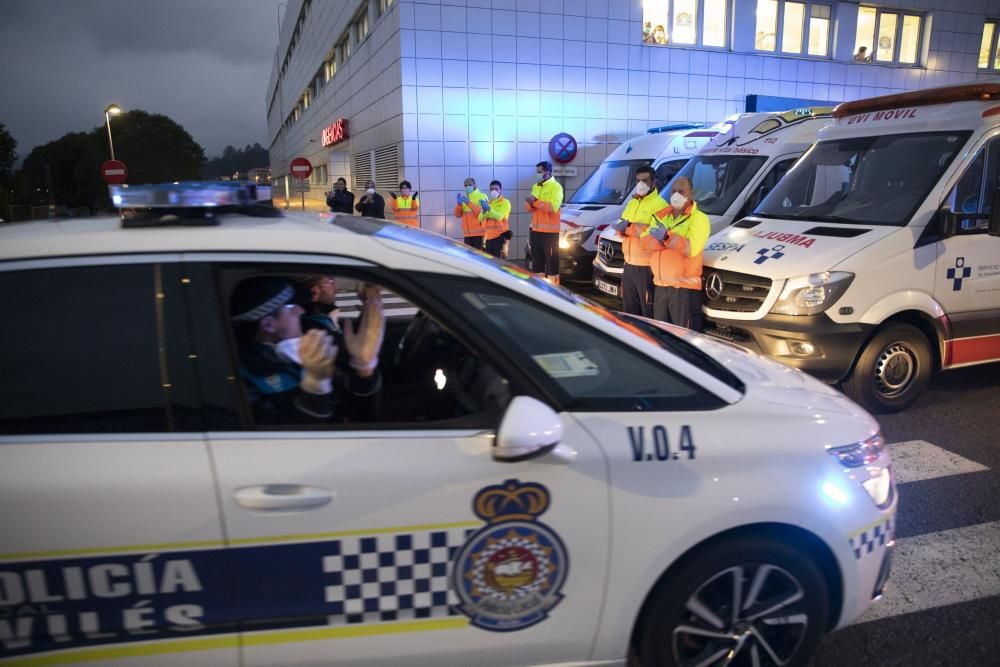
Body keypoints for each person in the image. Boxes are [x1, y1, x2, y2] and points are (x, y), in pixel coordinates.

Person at [231, 276, 384, 425]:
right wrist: (316, 387)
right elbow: (284, 435)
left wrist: (364, 368)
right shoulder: (245, 379)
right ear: (269, 325)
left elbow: (358, 411)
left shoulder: (314, 330)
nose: (300, 310)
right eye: (289, 307)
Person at [641, 176, 710, 330]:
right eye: (673, 191)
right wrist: (666, 241)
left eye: (681, 191)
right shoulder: (661, 216)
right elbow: (644, 242)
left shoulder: (699, 219)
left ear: (690, 193)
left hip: (683, 289)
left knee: (684, 336)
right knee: (662, 335)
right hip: (661, 286)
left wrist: (666, 238)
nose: (676, 194)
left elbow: (691, 248)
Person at [608, 165, 666, 317]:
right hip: (629, 264)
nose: (641, 184)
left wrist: (629, 227)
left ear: (653, 182)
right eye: (638, 180)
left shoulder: (660, 205)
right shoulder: (632, 202)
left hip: (646, 268)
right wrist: (622, 229)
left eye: (645, 180)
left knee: (647, 312)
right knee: (629, 310)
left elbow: (654, 236)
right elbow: (623, 225)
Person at [526, 161, 564, 284]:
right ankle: (539, 289)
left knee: (552, 264)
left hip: (550, 234)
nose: (537, 174)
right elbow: (528, 208)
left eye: (539, 172)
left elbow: (553, 207)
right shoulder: (536, 186)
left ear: (547, 172)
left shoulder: (556, 187)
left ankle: (554, 290)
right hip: (535, 232)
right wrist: (530, 204)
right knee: (537, 264)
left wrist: (535, 202)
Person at [479, 180, 512, 258]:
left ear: (500, 190)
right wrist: (484, 211)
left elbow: (499, 217)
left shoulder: (505, 202)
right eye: (492, 189)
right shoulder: (489, 203)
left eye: (496, 189)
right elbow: (480, 218)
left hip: (500, 237)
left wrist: (489, 209)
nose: (494, 191)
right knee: (490, 262)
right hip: (488, 237)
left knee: (499, 262)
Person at [454, 177, 487, 249]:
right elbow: (457, 215)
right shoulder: (465, 197)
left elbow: (481, 213)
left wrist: (469, 203)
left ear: (474, 184)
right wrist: (459, 205)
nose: (467, 187)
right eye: (465, 186)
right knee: (468, 255)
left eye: (469, 185)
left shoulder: (481, 196)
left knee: (478, 255)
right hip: (467, 235)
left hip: (479, 234)